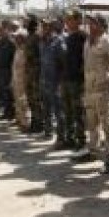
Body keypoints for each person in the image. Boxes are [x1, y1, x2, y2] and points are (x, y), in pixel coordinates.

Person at [74, 14, 109, 172]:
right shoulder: (88, 42)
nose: (90, 27)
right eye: (88, 24)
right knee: (92, 125)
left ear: (101, 25)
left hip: (104, 93)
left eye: (93, 23)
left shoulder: (108, 42)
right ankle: (92, 151)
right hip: (90, 91)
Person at [40, 19, 67, 148]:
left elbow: (64, 64)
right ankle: (48, 131)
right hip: (46, 81)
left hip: (55, 82)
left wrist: (61, 83)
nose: (43, 28)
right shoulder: (44, 42)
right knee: (46, 108)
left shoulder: (58, 42)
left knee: (59, 112)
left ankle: (61, 138)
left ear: (51, 28)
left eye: (46, 26)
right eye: (43, 26)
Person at [62, 10, 87, 150]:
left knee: (78, 113)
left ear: (78, 20)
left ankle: (81, 140)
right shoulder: (67, 37)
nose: (67, 21)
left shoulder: (83, 37)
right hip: (66, 79)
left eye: (70, 19)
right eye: (67, 19)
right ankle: (69, 138)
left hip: (77, 81)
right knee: (68, 111)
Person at [25, 16, 44, 133]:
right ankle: (34, 122)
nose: (26, 25)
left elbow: (40, 56)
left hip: (36, 73)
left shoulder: (37, 38)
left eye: (27, 23)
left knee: (37, 99)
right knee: (30, 98)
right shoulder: (29, 37)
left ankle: (39, 124)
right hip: (30, 72)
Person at [0, 20, 16, 120]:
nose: (3, 31)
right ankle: (6, 112)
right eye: (2, 28)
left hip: (8, 71)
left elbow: (13, 58)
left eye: (5, 28)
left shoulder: (11, 42)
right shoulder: (1, 41)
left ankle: (11, 113)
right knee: (3, 92)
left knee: (9, 93)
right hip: (0, 70)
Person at [11, 28, 30, 131]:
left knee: (23, 102)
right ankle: (19, 119)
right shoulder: (17, 50)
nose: (15, 39)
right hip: (16, 79)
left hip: (23, 80)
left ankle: (25, 123)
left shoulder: (25, 51)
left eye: (17, 37)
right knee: (17, 100)